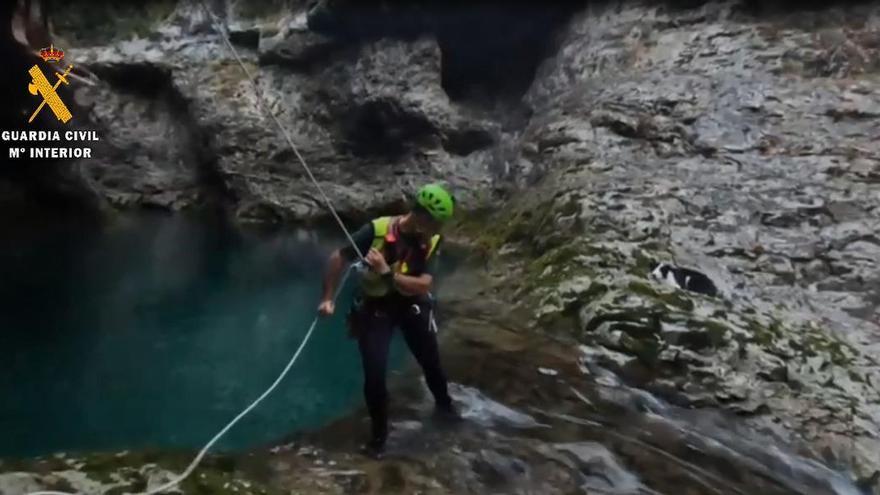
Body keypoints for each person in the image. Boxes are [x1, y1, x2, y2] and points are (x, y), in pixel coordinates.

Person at [317, 183, 458, 458]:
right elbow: (339, 257)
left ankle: (446, 408)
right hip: (376, 307)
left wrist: (386, 274)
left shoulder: (431, 241)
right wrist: (328, 297)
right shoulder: (377, 230)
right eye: (435, 222)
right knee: (375, 373)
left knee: (430, 359)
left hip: (410, 304)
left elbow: (423, 285)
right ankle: (379, 438)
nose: (438, 229)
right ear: (421, 216)